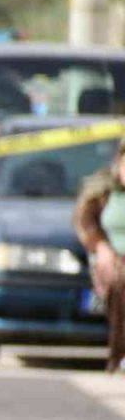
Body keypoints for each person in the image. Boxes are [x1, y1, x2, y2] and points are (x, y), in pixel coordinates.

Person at [75, 136, 125, 373]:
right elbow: (83, 222)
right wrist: (102, 248)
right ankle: (120, 353)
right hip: (110, 261)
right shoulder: (103, 192)